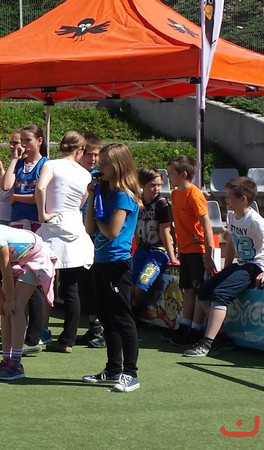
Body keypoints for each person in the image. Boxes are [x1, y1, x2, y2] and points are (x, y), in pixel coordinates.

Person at [0, 201, 56, 380]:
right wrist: (1, 298)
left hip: (36, 259)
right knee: (5, 310)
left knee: (15, 307)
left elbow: (5, 271)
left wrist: (7, 299)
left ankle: (16, 364)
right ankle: (7, 360)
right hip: (18, 261)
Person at [82, 143, 142, 393]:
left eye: (105, 164)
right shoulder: (104, 192)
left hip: (118, 265)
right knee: (107, 317)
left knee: (122, 318)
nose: (99, 167)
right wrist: (93, 197)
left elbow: (112, 231)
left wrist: (98, 215)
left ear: (117, 166)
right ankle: (113, 368)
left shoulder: (123, 195)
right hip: (101, 262)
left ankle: (131, 373)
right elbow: (89, 228)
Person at [185, 177, 264, 357]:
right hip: (241, 265)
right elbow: (230, 243)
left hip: (254, 266)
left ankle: (207, 342)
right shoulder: (231, 215)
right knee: (204, 291)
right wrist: (227, 269)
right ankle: (221, 336)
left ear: (243, 198)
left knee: (220, 294)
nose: (225, 199)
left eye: (229, 196)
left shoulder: (256, 221)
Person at [35, 131, 94, 353]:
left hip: (52, 228)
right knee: (70, 288)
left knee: (39, 282)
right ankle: (67, 338)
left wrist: (42, 213)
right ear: (80, 150)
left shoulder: (51, 164)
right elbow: (81, 202)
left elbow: (40, 188)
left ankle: (36, 332)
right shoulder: (85, 174)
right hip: (73, 228)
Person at [0, 124, 49, 353]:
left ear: (39, 140)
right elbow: (6, 186)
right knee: (16, 274)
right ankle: (20, 329)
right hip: (17, 223)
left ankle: (35, 336)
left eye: (28, 140)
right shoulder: (19, 163)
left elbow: (40, 196)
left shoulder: (45, 164)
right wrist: (14, 159)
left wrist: (18, 197)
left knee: (33, 276)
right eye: (22, 141)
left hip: (35, 224)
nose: (24, 145)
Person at [166, 155, 215, 346]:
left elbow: (206, 225)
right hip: (185, 249)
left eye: (171, 173)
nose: (169, 177)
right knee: (187, 288)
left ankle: (196, 328)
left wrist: (208, 255)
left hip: (197, 249)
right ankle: (185, 325)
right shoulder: (175, 194)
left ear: (183, 174)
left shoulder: (194, 195)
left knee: (198, 289)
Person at [131, 168, 177, 316]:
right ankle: (131, 311)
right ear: (142, 185)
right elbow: (135, 229)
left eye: (159, 185)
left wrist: (172, 257)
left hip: (159, 251)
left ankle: (134, 310)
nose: (156, 189)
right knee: (130, 284)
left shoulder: (162, 204)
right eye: (152, 185)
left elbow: (165, 232)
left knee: (142, 284)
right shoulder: (137, 202)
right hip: (142, 249)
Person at [76, 132, 105, 347]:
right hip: (78, 234)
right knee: (84, 284)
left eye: (97, 154)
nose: (93, 158)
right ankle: (94, 326)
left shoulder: (101, 177)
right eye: (89, 154)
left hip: (96, 236)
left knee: (96, 284)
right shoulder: (74, 173)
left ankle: (101, 330)